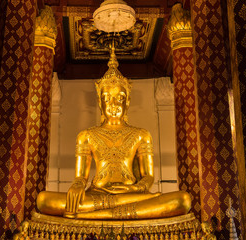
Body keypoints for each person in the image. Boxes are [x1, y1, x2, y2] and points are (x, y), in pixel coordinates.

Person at [36, 46, 191, 219]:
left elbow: (148, 177)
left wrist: (135, 188)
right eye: (107, 98)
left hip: (132, 196)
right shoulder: (87, 135)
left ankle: (94, 216)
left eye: (120, 98)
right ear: (100, 102)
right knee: (44, 200)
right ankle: (112, 214)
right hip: (96, 195)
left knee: (182, 200)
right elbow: (81, 177)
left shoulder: (141, 134)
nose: (113, 103)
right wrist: (78, 185)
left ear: (128, 101)